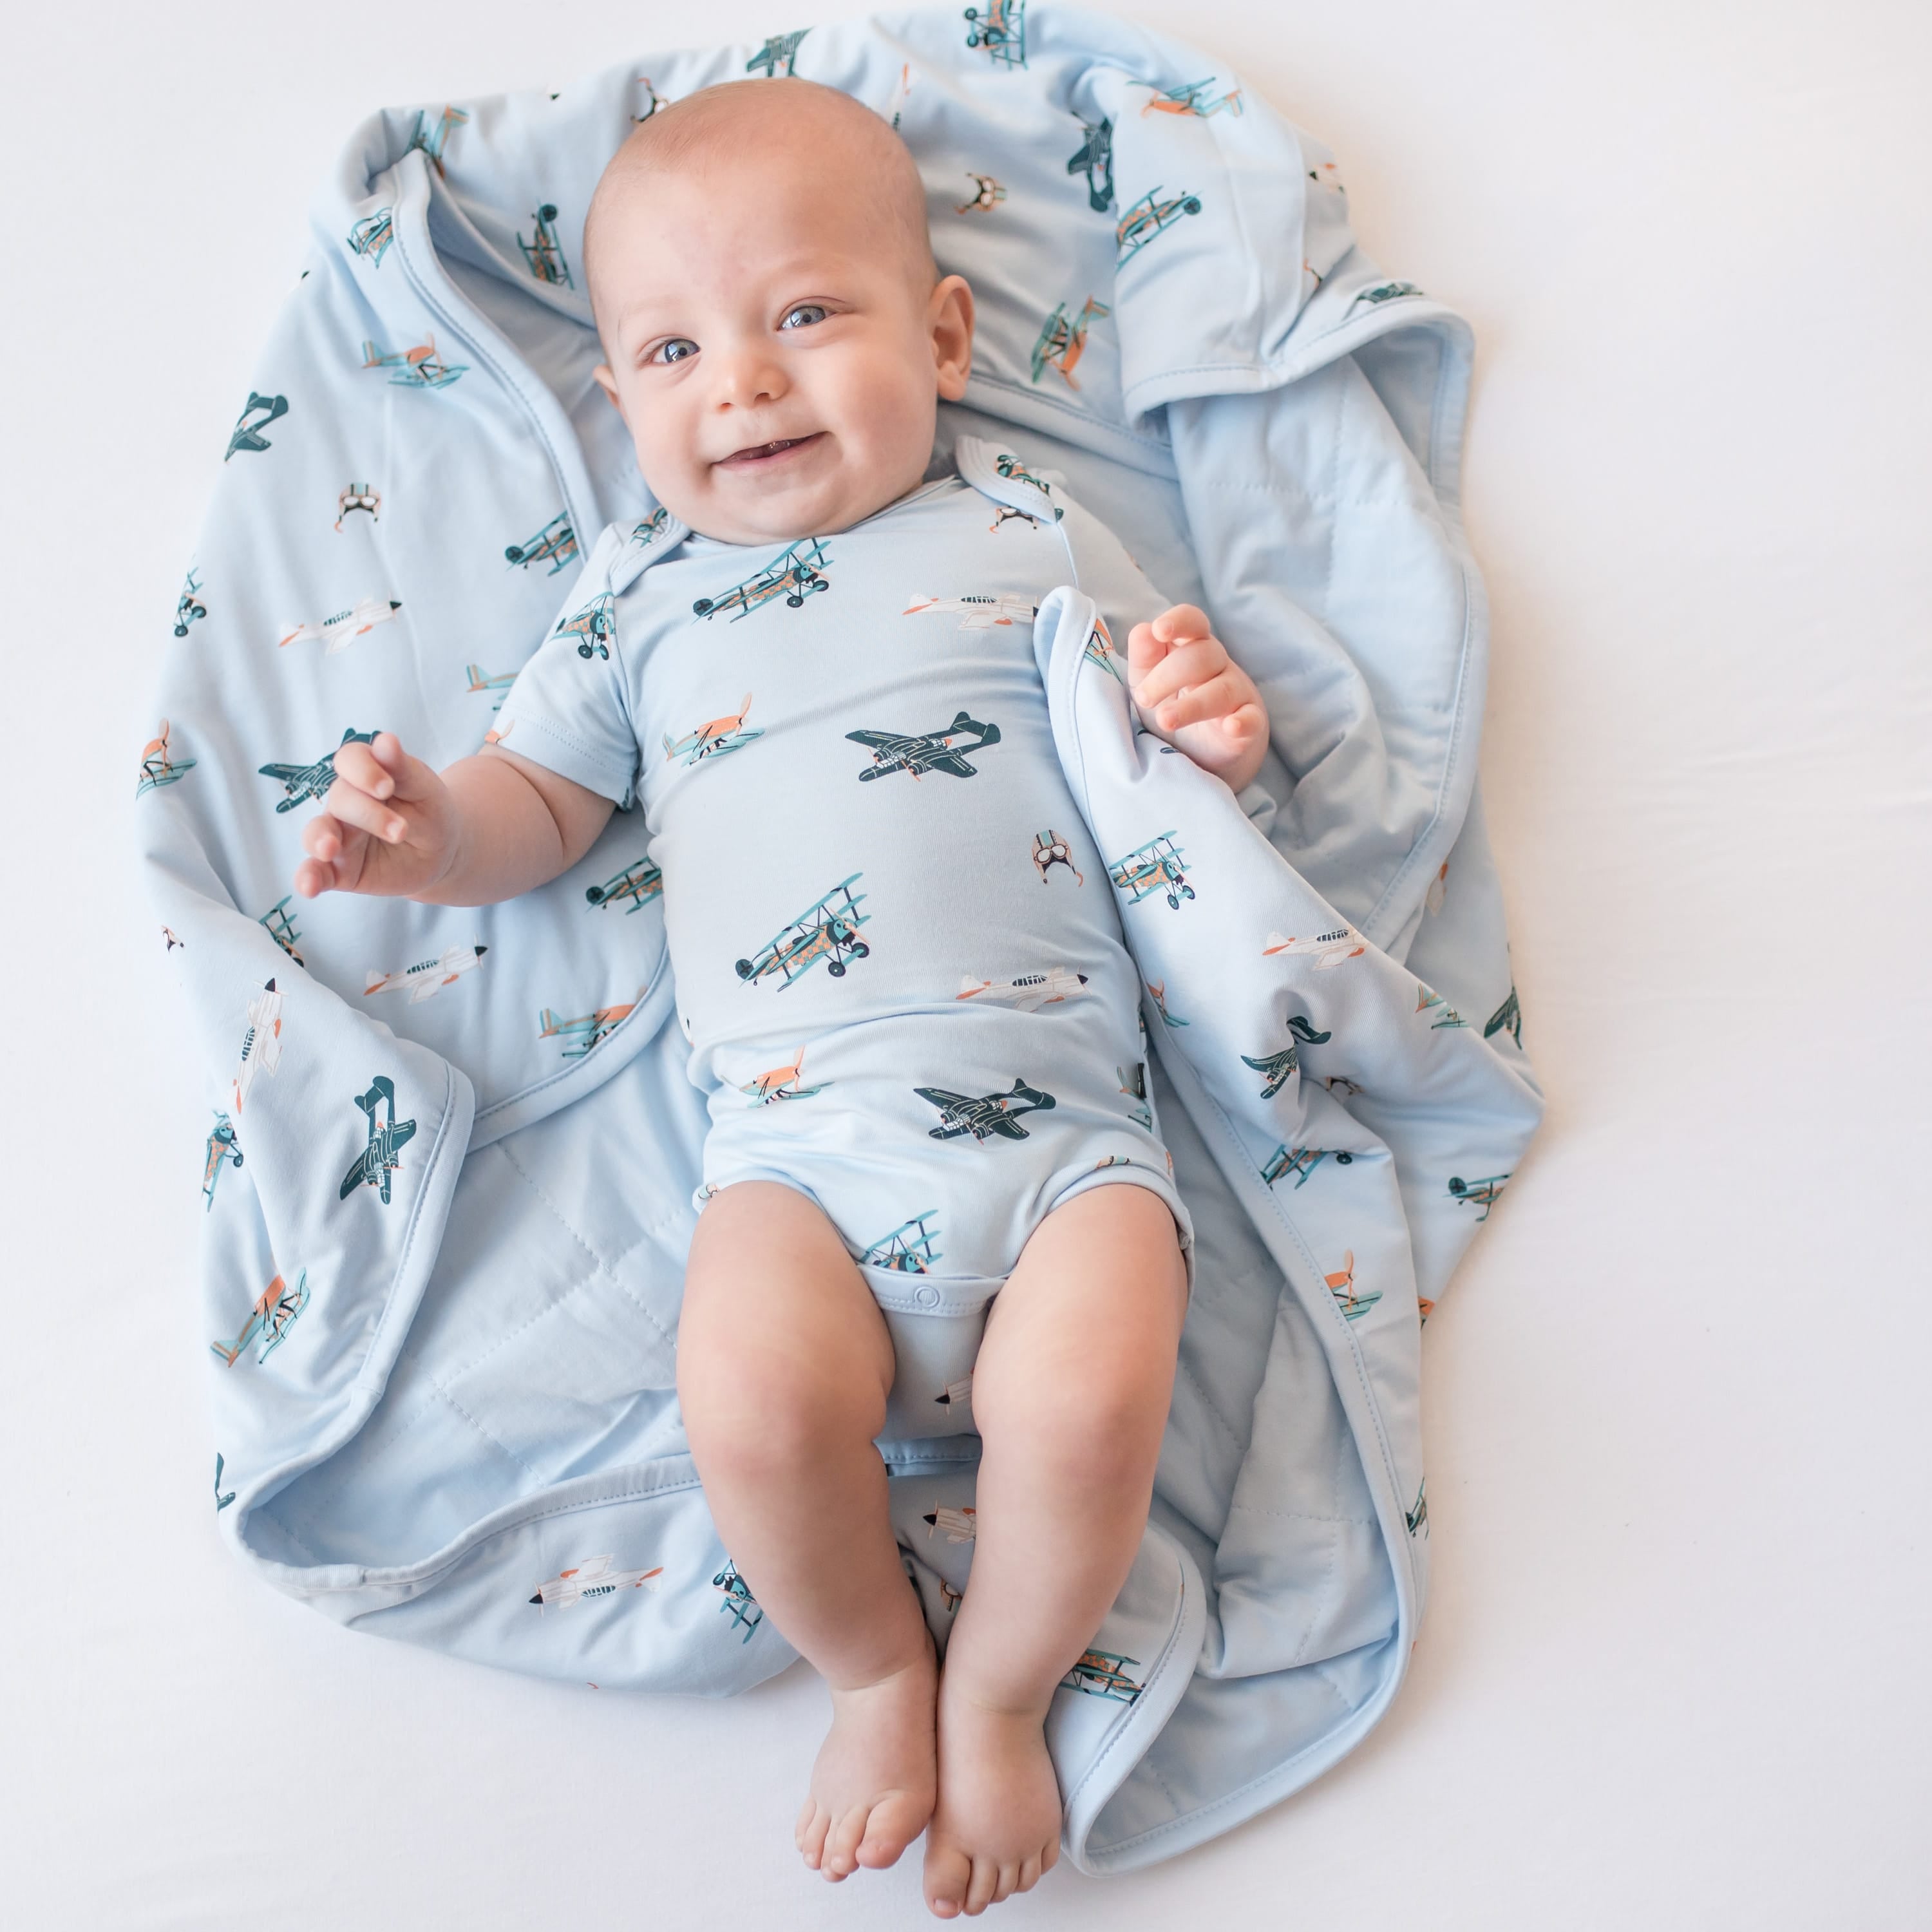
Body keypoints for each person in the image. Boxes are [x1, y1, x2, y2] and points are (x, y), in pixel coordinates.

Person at [292, 77, 1269, 1920]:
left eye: (803, 315)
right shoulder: (633, 604)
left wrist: (1213, 723)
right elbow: (538, 813)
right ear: (620, 400)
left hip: (1063, 1143)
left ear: (946, 333)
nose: (739, 381)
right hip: (797, 1166)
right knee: (745, 1409)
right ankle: (878, 1668)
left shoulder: (1031, 532)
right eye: (670, 348)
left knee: (1095, 1403)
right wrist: (426, 836)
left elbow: (1165, 731)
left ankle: (1000, 1679)